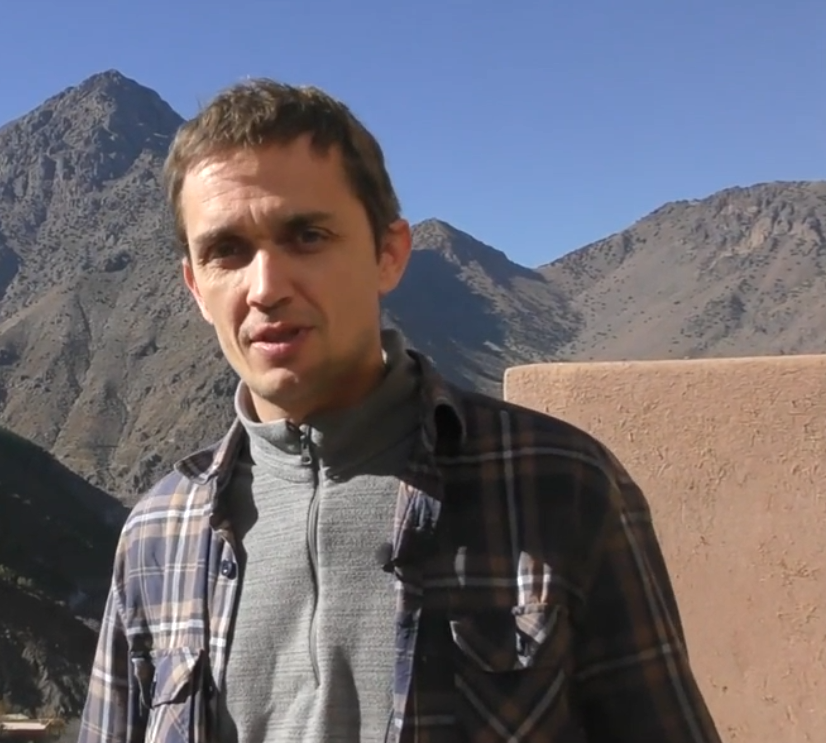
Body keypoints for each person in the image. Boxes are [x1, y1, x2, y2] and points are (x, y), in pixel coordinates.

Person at [76, 79, 721, 743]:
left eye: (307, 236)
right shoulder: (159, 534)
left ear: (389, 254)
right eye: (227, 251)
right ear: (195, 287)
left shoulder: (558, 484)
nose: (265, 287)